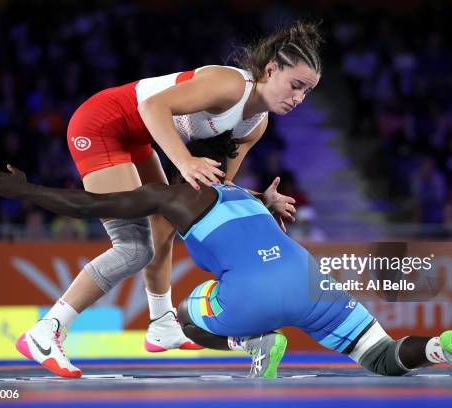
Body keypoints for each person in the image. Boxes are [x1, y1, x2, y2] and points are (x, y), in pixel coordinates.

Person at [0, 134, 452, 379]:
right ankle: (442, 350)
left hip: (251, 297)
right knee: (381, 357)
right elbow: (254, 202)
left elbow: (89, 203)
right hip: (313, 280)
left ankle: (254, 338)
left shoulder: (176, 194)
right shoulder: (245, 193)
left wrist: (24, 192)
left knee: (180, 314)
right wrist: (268, 199)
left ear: (189, 160)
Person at [19, 20, 323, 375]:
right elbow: (151, 108)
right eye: (295, 85)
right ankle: (46, 330)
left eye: (307, 92)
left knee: (165, 222)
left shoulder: (256, 124)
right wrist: (185, 159)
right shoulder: (228, 84)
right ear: (270, 70)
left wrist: (258, 198)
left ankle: (162, 325)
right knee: (133, 247)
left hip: (137, 138)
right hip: (101, 124)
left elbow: (213, 186)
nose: (298, 98)